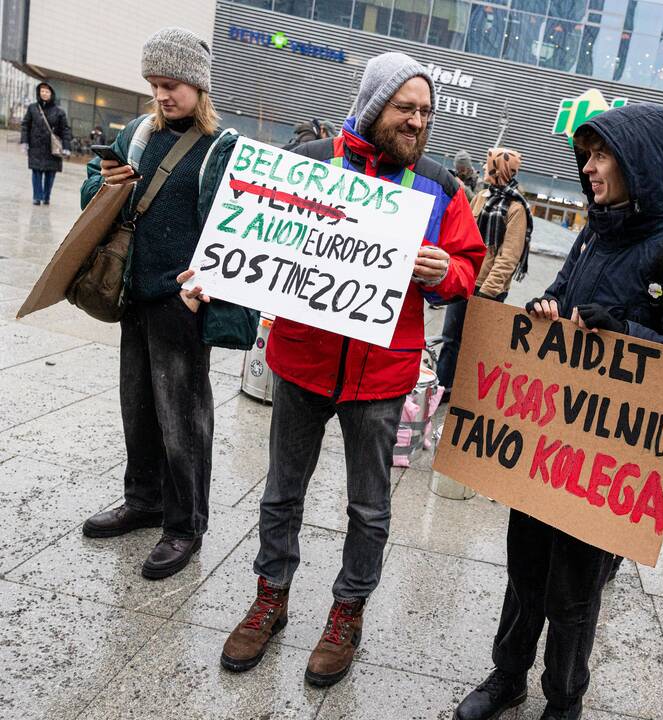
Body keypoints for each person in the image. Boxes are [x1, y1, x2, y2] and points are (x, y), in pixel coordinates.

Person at [454, 103, 663, 720]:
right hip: (548, 436)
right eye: (588, 154)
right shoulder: (593, 232)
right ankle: (507, 676)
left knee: (574, 589)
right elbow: (563, 297)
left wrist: (627, 334)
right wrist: (546, 308)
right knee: (524, 565)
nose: (591, 166)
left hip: (604, 459)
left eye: (603, 155)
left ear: (642, 167)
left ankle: (563, 700)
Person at [219, 51, 485, 688]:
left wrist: (443, 273)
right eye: (405, 108)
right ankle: (271, 596)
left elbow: (469, 268)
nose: (418, 121)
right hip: (302, 363)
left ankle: (347, 613)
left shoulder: (441, 187)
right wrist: (213, 276)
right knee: (282, 491)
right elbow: (250, 236)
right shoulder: (312, 164)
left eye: (425, 111)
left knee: (369, 508)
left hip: (382, 377)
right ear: (374, 106)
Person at [79, 28, 256, 579]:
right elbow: (93, 199)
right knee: (137, 406)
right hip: (136, 293)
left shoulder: (220, 147)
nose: (162, 95)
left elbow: (239, 229)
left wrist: (209, 284)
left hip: (184, 302)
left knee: (184, 418)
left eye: (172, 84)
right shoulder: (135, 134)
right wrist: (104, 184)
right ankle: (143, 499)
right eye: (155, 84)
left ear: (198, 86)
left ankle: (185, 525)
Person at [436, 147, 531, 394]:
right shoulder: (482, 196)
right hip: (465, 280)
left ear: (500, 169)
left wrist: (486, 292)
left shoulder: (517, 208)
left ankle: (467, 394)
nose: (485, 169)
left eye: (490, 165)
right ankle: (442, 388)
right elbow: (463, 233)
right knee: (450, 339)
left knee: (476, 345)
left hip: (489, 290)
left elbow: (508, 257)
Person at [20, 81, 72, 206]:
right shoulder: (33, 108)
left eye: (47, 91)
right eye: (42, 91)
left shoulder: (59, 112)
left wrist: (66, 146)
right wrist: (24, 141)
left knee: (50, 173)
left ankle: (46, 196)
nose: (44, 93)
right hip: (36, 146)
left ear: (51, 94)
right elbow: (25, 125)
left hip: (52, 148)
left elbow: (65, 129)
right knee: (36, 172)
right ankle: (37, 197)